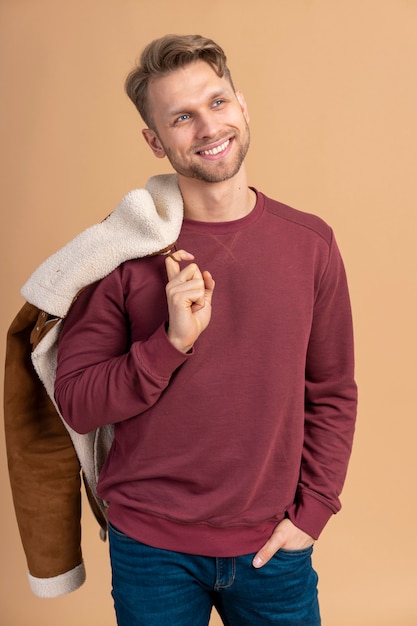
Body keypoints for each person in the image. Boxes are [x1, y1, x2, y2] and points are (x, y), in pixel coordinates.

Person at [53, 34, 357, 626]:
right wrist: (170, 344)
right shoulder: (121, 253)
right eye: (181, 118)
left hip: (274, 544)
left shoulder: (311, 244)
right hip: (151, 549)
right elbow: (77, 404)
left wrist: (313, 512)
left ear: (242, 106)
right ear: (155, 141)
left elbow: (332, 390)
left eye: (217, 103)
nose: (208, 127)